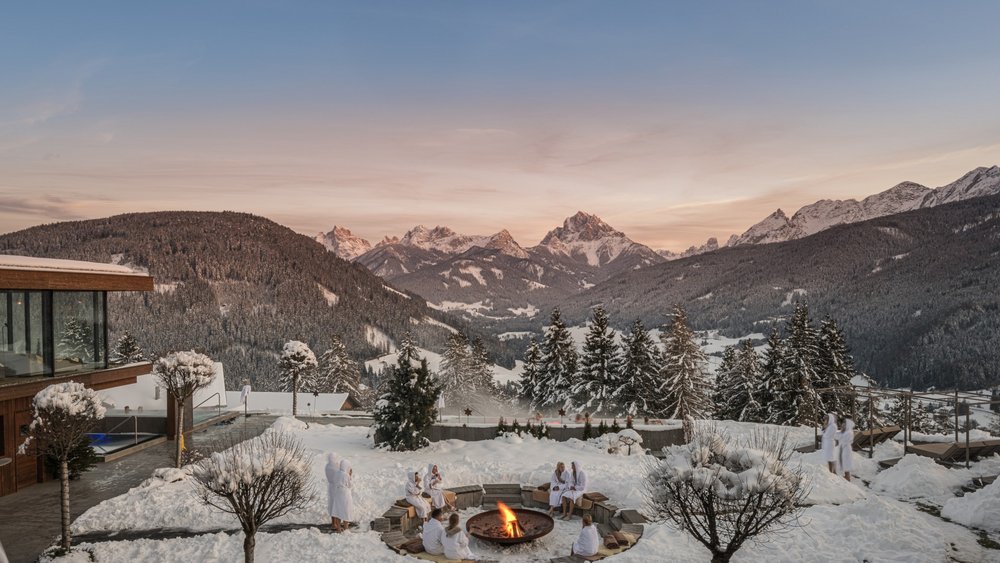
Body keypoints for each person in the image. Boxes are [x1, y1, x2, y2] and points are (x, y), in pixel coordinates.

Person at [331, 459, 355, 532]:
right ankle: (346, 528)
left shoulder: (337, 473)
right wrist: (350, 476)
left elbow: (334, 482)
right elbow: (350, 485)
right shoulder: (346, 475)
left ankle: (338, 528)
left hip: (338, 493)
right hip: (345, 494)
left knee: (338, 510)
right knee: (345, 510)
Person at [324, 453, 341, 532]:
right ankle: (337, 524)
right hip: (336, 487)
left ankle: (333, 523)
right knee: (337, 504)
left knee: (332, 504)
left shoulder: (327, 466)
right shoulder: (336, 467)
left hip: (330, 487)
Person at [836, 416, 855, 482]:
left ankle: (847, 477)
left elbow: (841, 438)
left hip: (846, 449)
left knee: (846, 462)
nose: (843, 424)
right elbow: (838, 436)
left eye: (844, 422)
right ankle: (847, 476)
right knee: (844, 462)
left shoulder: (849, 432)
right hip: (844, 448)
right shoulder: (846, 431)